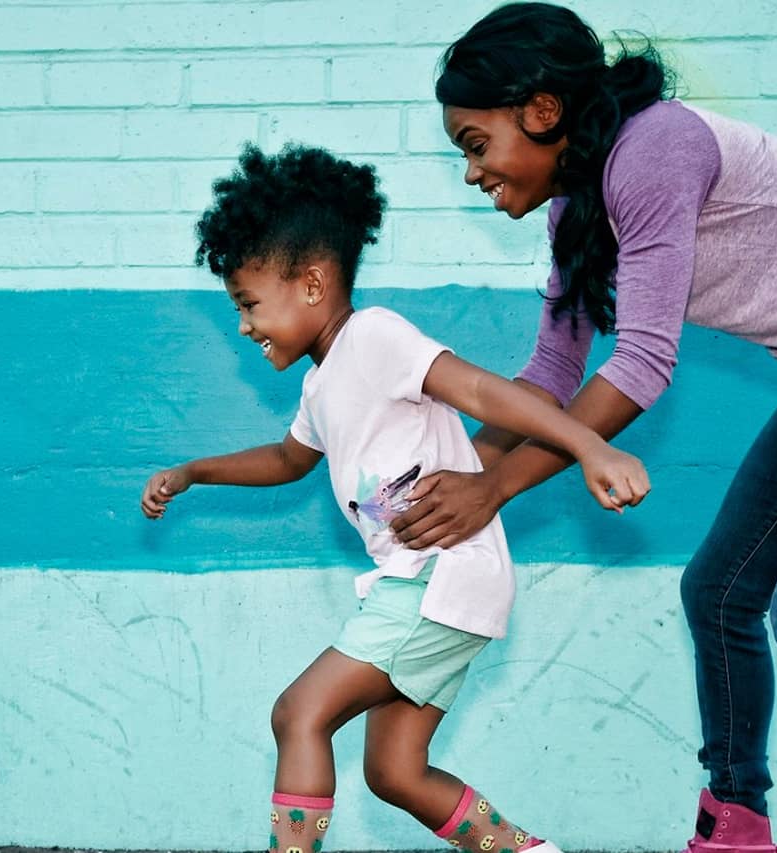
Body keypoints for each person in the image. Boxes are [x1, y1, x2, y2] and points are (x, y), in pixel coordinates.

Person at [392, 5, 777, 852]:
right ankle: (737, 824)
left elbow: (643, 362)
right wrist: (448, 476)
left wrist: (492, 489)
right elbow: (549, 380)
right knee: (719, 592)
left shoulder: (656, 148)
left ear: (541, 111)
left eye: (474, 144)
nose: (472, 173)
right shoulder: (576, 213)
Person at [141, 143, 651, 853]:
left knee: (299, 713)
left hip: (438, 578)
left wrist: (588, 445)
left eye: (249, 304)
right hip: (432, 584)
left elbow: (479, 389)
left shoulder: (374, 337)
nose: (245, 326)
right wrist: (195, 471)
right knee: (394, 771)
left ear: (313, 283)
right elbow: (289, 459)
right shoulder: (321, 384)